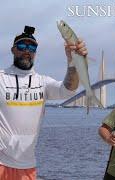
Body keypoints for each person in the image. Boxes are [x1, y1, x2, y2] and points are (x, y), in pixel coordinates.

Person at [0, 25, 87, 179]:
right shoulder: (1, 78)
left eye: (32, 47)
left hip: (27, 165)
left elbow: (69, 89)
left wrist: (73, 60)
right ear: (13, 50)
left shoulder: (43, 82)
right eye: (22, 45)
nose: (27, 50)